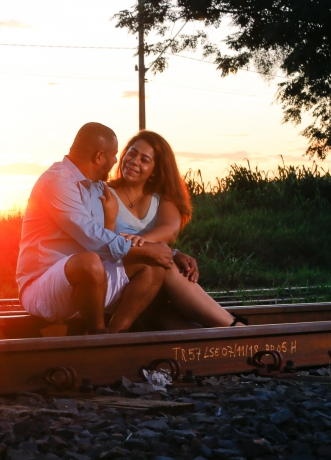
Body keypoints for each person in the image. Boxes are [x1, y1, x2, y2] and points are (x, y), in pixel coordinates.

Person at [16, 122, 178, 334]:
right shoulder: (57, 182)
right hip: (42, 290)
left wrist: (171, 253)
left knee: (151, 264)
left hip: (90, 284)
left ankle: (115, 336)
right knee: (89, 261)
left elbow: (119, 238)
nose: (115, 161)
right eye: (113, 155)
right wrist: (148, 248)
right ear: (99, 157)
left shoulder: (98, 187)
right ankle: (97, 334)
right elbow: (92, 237)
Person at [105, 130, 245, 328]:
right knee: (165, 262)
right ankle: (236, 328)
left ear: (155, 169)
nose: (134, 161)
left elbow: (169, 230)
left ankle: (233, 337)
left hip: (153, 282)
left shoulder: (162, 198)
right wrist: (166, 252)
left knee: (185, 328)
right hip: (121, 273)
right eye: (132, 153)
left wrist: (164, 250)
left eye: (144, 159)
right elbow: (102, 239)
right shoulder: (105, 192)